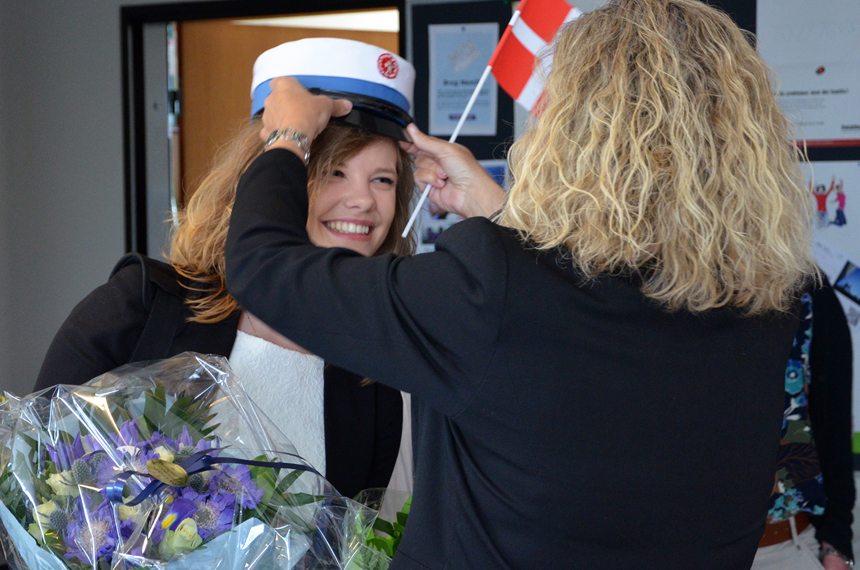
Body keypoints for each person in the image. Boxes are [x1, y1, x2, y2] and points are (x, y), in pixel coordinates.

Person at [224, 0, 817, 567]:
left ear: (578, 136)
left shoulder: (493, 288)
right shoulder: (766, 307)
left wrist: (289, 137)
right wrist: (497, 214)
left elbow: (262, 266)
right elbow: (588, 303)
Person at [34, 38, 418, 500]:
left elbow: (357, 530)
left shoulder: (372, 373)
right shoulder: (143, 307)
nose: (363, 201)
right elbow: (33, 469)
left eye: (383, 180)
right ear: (270, 176)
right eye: (335, 171)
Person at [753, 277, 855, 570]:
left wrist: (836, 542)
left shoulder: (809, 289)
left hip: (784, 545)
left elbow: (834, 424)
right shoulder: (656, 284)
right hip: (675, 545)